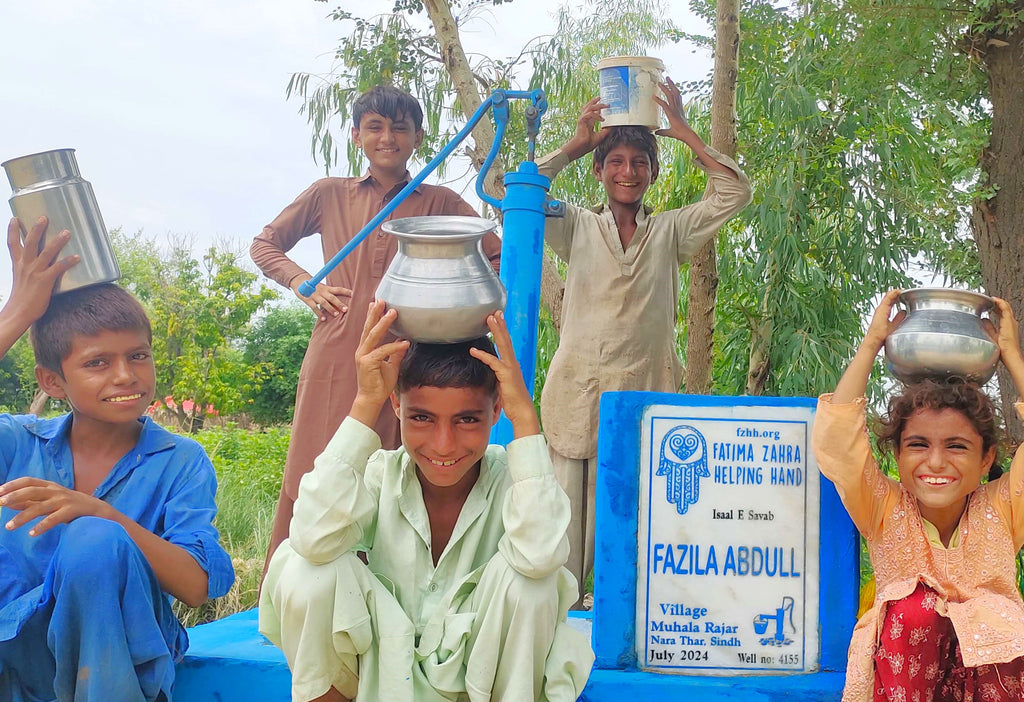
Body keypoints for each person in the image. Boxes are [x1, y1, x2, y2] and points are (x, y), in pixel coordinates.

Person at [259, 301, 593, 702]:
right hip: (382, 679)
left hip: (480, 684)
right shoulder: (379, 474)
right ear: (397, 406)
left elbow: (540, 556)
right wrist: (365, 404)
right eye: (421, 418)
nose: (443, 444)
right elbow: (311, 539)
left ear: (496, 410)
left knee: (535, 585)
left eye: (467, 419)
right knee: (303, 569)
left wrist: (525, 418)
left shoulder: (517, 483)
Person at [252, 85, 502, 571]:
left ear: (417, 137)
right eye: (375, 127)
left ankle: (388, 595)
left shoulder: (440, 200)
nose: (387, 138)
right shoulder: (329, 193)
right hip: (338, 352)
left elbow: (496, 255)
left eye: (400, 128)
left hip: (417, 357)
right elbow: (266, 245)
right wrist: (305, 283)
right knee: (318, 465)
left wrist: (461, 305)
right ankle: (289, 593)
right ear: (356, 135)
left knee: (402, 471)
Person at [0, 217, 235, 701]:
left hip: (124, 664)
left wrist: (103, 515)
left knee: (95, 539)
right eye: (97, 363)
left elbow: (196, 587)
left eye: (139, 356)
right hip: (20, 660)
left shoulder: (180, 460)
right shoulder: (17, 444)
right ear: (52, 383)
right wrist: (19, 311)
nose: (126, 375)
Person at [535, 79, 753, 599]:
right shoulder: (577, 227)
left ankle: (625, 623)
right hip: (578, 391)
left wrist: (683, 133)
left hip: (646, 392)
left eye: (639, 162)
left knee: (638, 518)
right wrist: (575, 144)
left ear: (653, 173)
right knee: (566, 526)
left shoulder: (672, 231)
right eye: (615, 161)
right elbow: (516, 197)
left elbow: (735, 192)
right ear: (599, 170)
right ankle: (560, 625)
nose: (627, 171)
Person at [812, 289, 1024, 701]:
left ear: (986, 460)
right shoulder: (883, 508)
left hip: (993, 684)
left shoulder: (1004, 507)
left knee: (1000, 619)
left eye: (957, 446)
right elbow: (838, 442)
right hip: (907, 684)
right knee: (914, 607)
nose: (937, 462)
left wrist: (1011, 355)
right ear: (897, 454)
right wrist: (873, 343)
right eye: (919, 445)